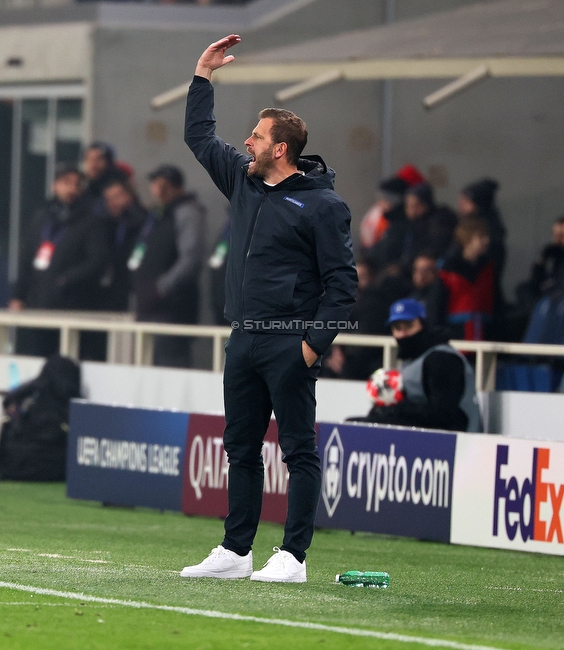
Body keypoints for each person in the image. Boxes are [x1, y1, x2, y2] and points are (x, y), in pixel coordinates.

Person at [180, 34, 357, 583]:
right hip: (245, 337)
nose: (246, 142)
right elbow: (198, 135)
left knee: (299, 451)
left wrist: (311, 345)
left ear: (280, 148)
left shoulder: (323, 205)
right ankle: (237, 550)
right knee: (240, 448)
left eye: (256, 137)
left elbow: (343, 285)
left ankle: (294, 557)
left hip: (289, 341)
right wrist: (202, 77)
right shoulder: (244, 181)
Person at [10, 163, 111, 358]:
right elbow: (27, 260)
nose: (72, 189)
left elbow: (97, 261)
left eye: (77, 184)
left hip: (74, 306)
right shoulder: (42, 218)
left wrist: (66, 280)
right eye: (66, 183)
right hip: (39, 305)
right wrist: (18, 295)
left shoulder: (91, 220)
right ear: (54, 186)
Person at [351, 299, 480, 432]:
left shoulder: (442, 359)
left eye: (408, 326)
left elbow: (443, 414)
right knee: (354, 425)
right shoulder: (412, 360)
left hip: (456, 439)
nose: (402, 334)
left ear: (423, 324)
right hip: (423, 433)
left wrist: (396, 410)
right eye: (397, 328)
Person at [132, 164, 206, 368]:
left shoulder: (186, 212)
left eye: (163, 185)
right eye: (155, 184)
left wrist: (160, 287)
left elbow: (190, 258)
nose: (158, 190)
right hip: (150, 306)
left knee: (170, 365)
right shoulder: (158, 214)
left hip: (172, 308)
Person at [439, 216, 494, 339]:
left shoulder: (488, 268)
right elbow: (438, 304)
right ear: (467, 239)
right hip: (456, 334)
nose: (487, 240)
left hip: (484, 334)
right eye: (481, 237)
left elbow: (495, 300)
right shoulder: (447, 269)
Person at [100, 175, 148, 312]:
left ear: (129, 196)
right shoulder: (105, 223)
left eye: (117, 197)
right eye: (108, 199)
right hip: (112, 285)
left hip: (134, 285)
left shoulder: (143, 222)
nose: (112, 203)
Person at [409, 252, 447, 330]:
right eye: (417, 270)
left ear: (436, 272)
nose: (421, 275)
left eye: (426, 270)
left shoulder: (441, 294)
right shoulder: (410, 294)